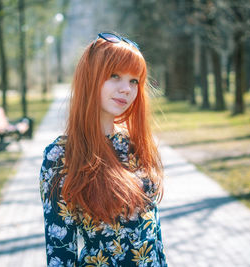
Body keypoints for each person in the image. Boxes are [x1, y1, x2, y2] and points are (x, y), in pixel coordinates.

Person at [39, 32, 167, 266]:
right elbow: (60, 254)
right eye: (114, 76)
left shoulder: (135, 145)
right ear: (90, 78)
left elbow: (154, 235)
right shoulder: (61, 156)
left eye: (133, 80)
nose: (126, 89)